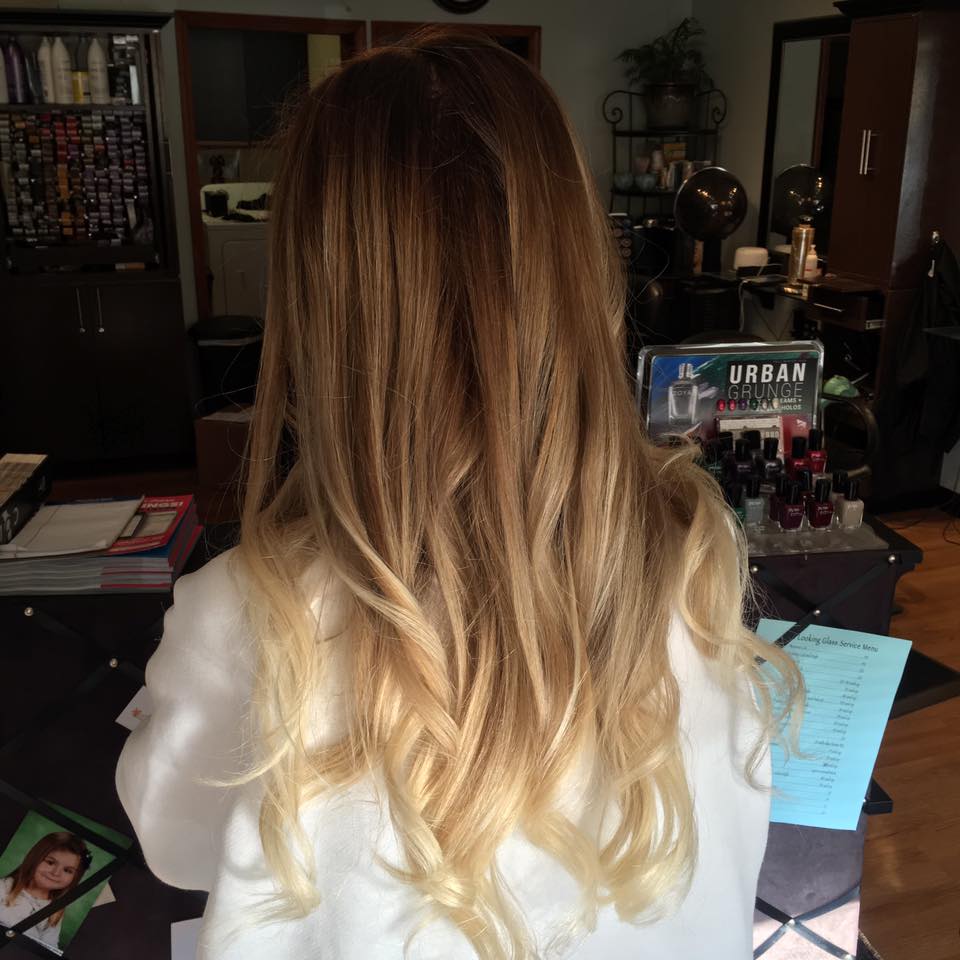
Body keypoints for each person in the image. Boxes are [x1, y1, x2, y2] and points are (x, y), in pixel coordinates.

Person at [116, 27, 802, 959]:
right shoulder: (693, 566)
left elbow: (172, 841)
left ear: (320, 302)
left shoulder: (247, 617)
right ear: (572, 262)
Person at [0, 831, 90, 953]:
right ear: (34, 859)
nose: (56, 873)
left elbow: (50, 946)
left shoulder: (55, 910)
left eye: (67, 870)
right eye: (50, 862)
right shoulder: (4, 888)